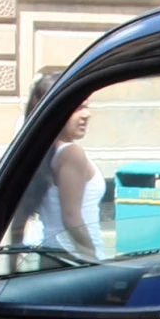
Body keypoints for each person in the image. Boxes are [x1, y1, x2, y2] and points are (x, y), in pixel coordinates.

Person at [36, 93, 102, 260]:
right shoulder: (71, 153)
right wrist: (94, 263)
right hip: (74, 260)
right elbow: (71, 217)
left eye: (86, 107)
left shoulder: (43, 153)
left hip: (51, 256)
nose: (87, 114)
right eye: (78, 108)